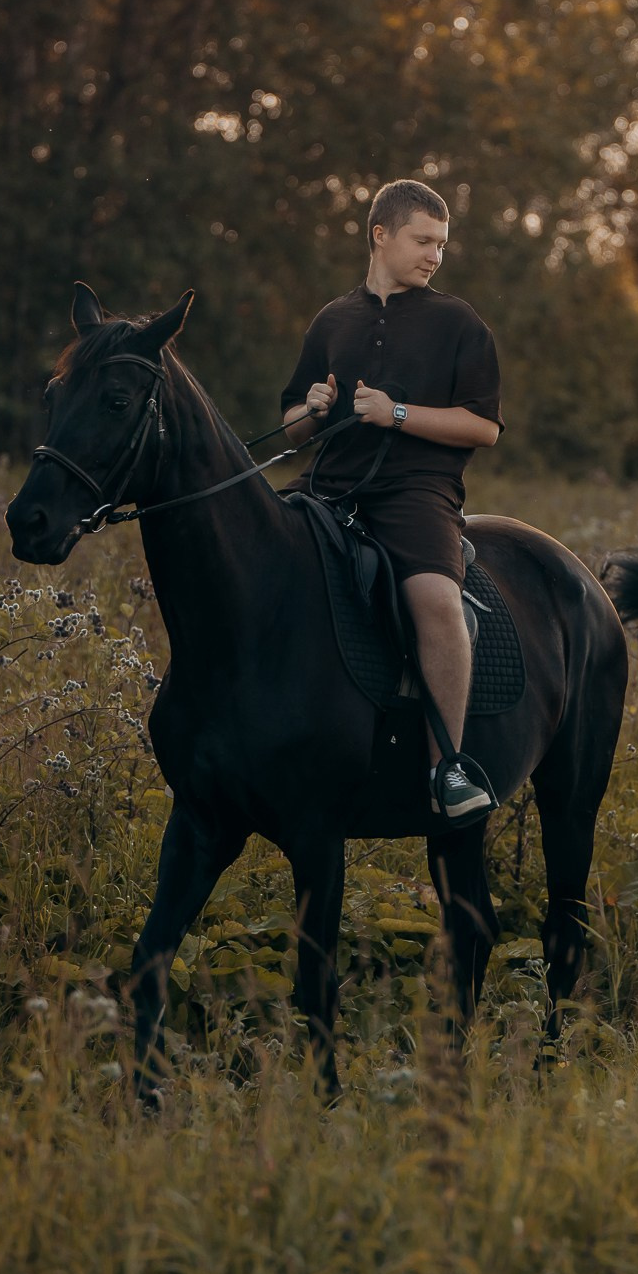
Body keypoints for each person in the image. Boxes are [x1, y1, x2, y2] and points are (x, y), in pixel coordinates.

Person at [278, 179, 504, 819]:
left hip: (417, 491)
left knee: (435, 599)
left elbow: (484, 427)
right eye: (423, 240)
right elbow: (294, 428)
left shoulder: (458, 322)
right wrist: (313, 409)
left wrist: (397, 412)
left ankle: (449, 767)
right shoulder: (333, 319)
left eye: (442, 245)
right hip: (330, 483)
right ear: (381, 235)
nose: (435, 255)